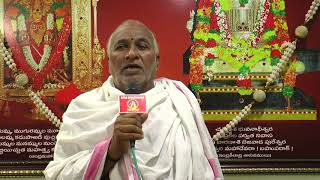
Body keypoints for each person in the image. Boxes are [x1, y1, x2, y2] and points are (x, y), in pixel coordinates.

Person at [44, 20, 223, 180]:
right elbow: (59, 174)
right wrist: (111, 152)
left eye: (142, 46)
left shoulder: (179, 101)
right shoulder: (82, 108)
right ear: (108, 61)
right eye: (121, 47)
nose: (131, 54)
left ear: (157, 60)